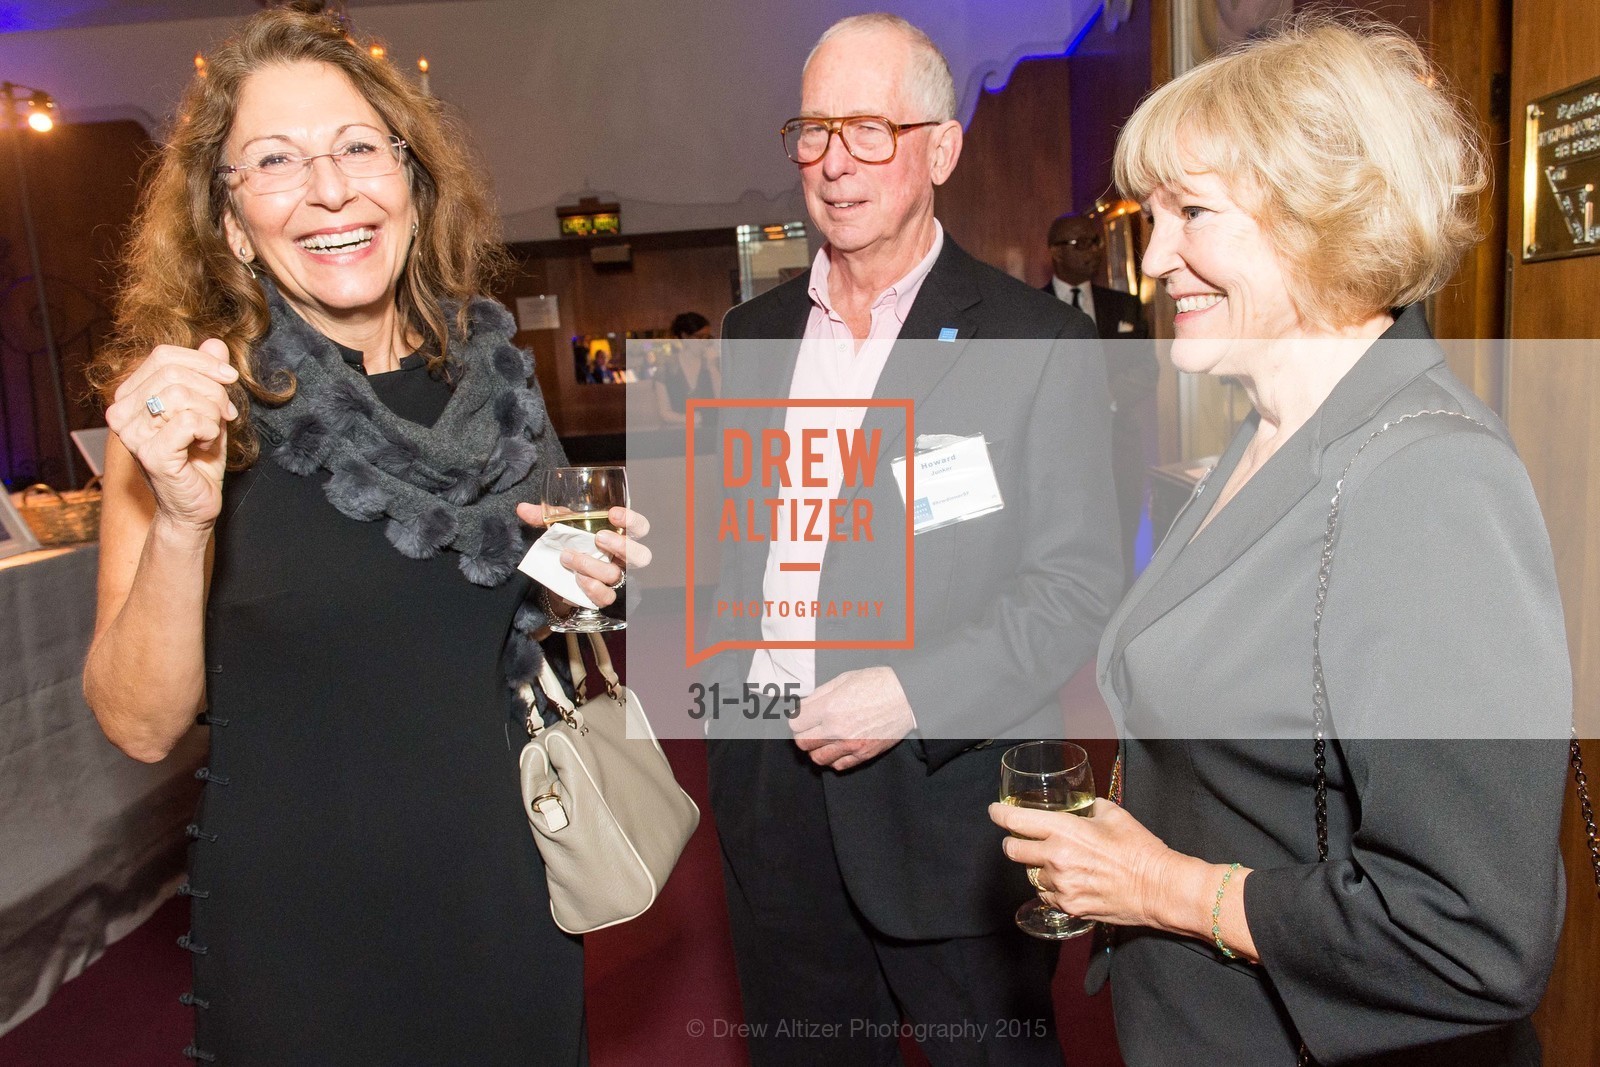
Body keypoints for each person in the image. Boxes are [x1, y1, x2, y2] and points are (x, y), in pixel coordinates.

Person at [991, 15, 1570, 1065]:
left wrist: (1160, 886)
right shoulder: (1265, 436)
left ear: (1322, 222)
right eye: (1151, 216)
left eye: (1192, 214)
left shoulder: (1428, 481)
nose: (1156, 255)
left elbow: (1471, 933)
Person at [81, 9, 649, 1064]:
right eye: (275, 161)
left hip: (506, 891)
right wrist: (183, 521)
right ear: (233, 220)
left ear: (411, 181)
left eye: (356, 148)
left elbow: (541, 602)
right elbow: (140, 725)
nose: (330, 188)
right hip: (303, 930)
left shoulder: (501, 383)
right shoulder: (190, 418)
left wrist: (589, 574)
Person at [704, 13, 1121, 1065]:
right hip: (774, 813)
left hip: (947, 816)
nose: (832, 162)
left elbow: (1075, 586)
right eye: (811, 129)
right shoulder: (750, 338)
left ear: (940, 147)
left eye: (868, 130)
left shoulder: (1037, 341)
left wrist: (912, 692)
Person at [1045, 212, 1155, 586]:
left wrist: (1105, 400)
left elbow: (1147, 370)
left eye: (1095, 242)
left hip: (1118, 449)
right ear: (1055, 253)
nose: (1091, 252)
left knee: (1123, 537)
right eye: (1079, 244)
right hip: (1056, 454)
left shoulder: (1124, 306)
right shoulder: (1031, 310)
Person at [653, 310, 720, 426]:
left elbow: (723, 403)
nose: (705, 342)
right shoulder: (666, 368)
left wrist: (712, 367)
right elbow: (664, 412)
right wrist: (688, 419)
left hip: (710, 429)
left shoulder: (712, 364)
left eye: (708, 338)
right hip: (678, 432)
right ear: (685, 337)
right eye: (700, 337)